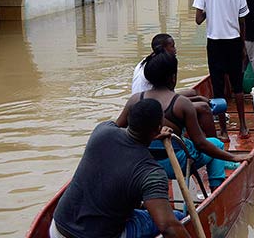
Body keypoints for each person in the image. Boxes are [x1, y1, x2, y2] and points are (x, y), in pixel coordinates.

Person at [52, 99, 188, 238]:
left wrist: (152, 135)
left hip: (57, 229)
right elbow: (168, 227)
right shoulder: (151, 172)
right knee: (178, 218)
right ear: (158, 128)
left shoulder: (102, 130)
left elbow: (125, 134)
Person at [116, 52, 249, 191]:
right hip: (177, 164)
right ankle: (216, 189)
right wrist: (232, 157)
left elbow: (116, 129)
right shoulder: (181, 103)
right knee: (217, 144)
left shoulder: (135, 99)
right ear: (173, 77)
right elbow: (201, 144)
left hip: (144, 161)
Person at [193, 0, 250, 140]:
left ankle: (223, 132)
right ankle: (243, 127)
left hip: (214, 43)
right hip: (234, 41)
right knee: (238, 86)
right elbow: (242, 21)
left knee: (218, 88)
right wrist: (243, 46)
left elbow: (198, 19)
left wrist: (210, 9)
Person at [132, 34, 216, 138]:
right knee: (203, 107)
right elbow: (166, 96)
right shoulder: (160, 64)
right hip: (151, 105)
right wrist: (194, 100)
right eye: (172, 46)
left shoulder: (147, 60)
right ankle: (213, 141)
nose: (175, 50)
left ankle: (196, 131)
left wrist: (196, 98)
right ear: (163, 48)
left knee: (192, 92)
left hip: (153, 97)